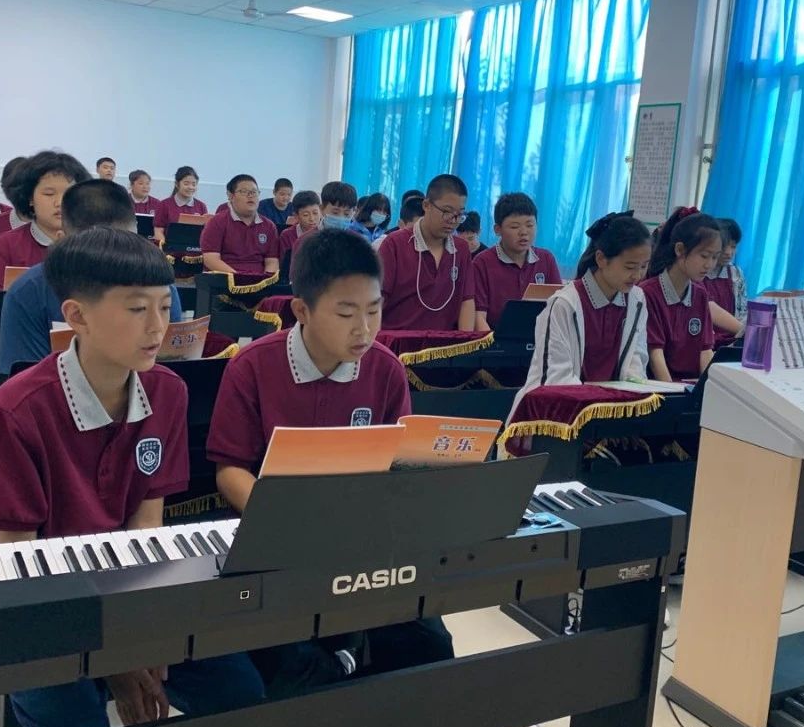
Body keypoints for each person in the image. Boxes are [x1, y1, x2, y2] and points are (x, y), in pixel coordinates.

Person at [0, 228, 264, 727]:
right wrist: (115, 661)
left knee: (239, 694)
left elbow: (145, 526)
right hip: (40, 606)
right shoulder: (19, 409)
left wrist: (140, 634)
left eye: (164, 306)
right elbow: (19, 562)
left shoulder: (167, 391)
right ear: (78, 316)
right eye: (136, 310)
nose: (157, 327)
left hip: (128, 590)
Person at [207, 229, 454, 698]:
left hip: (360, 544)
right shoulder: (253, 366)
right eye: (346, 313)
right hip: (276, 545)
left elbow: (398, 467)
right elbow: (230, 470)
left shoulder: (385, 369)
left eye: (374, 310)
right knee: (296, 665)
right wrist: (285, 522)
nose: (364, 329)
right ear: (301, 310)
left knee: (429, 648)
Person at [0, 180, 183, 374]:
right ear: (62, 242)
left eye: (126, 248)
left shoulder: (158, 285)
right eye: (137, 308)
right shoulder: (28, 291)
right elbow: (25, 378)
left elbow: (167, 368)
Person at [509, 212, 650, 415]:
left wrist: (632, 395)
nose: (637, 275)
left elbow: (636, 360)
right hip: (558, 412)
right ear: (601, 259)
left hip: (611, 410)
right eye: (630, 267)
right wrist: (598, 405)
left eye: (644, 266)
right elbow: (556, 377)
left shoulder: (637, 299)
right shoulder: (564, 304)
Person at [377, 175, 480, 332]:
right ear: (426, 205)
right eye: (446, 212)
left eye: (459, 215)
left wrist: (465, 344)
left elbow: (466, 301)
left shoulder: (461, 250)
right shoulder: (395, 244)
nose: (453, 220)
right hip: (396, 343)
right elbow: (377, 300)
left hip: (444, 344)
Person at [0, 151, 89, 291]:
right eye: (49, 194)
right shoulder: (4, 247)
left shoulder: (95, 245)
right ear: (30, 198)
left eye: (69, 193)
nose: (60, 202)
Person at [641, 207, 720, 382]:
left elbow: (705, 350)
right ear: (679, 249)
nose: (709, 265)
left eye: (715, 257)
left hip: (690, 387)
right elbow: (655, 354)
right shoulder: (648, 293)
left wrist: (706, 389)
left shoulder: (700, 294)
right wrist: (671, 392)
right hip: (660, 388)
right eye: (704, 256)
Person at [472, 192, 562, 329]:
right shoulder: (482, 263)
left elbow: (558, 308)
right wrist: (494, 342)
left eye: (530, 225)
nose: (524, 232)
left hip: (539, 338)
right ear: (497, 229)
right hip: (495, 338)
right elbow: (478, 317)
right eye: (515, 227)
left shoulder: (546, 259)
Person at [199, 174, 280, 275]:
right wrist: (239, 278)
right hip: (225, 278)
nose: (250, 195)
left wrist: (267, 279)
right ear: (231, 196)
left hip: (260, 280)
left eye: (254, 192)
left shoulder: (269, 226)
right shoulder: (216, 222)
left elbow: (272, 261)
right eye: (244, 191)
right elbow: (210, 259)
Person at [706, 218, 747, 348]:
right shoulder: (699, 273)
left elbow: (742, 310)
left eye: (733, 246)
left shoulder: (736, 273)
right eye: (724, 246)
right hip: (706, 342)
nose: (729, 252)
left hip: (732, 340)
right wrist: (745, 331)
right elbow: (706, 307)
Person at [153, 165, 208, 240]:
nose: (190, 187)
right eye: (186, 184)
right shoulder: (164, 205)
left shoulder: (201, 206)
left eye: (194, 184)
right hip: (169, 247)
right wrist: (165, 246)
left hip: (195, 247)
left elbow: (205, 233)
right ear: (177, 184)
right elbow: (158, 231)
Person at [279, 190, 321, 271]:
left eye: (315, 213)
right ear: (296, 216)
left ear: (321, 211)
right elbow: (284, 265)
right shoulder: (287, 235)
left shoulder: (326, 232)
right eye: (306, 215)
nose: (312, 219)